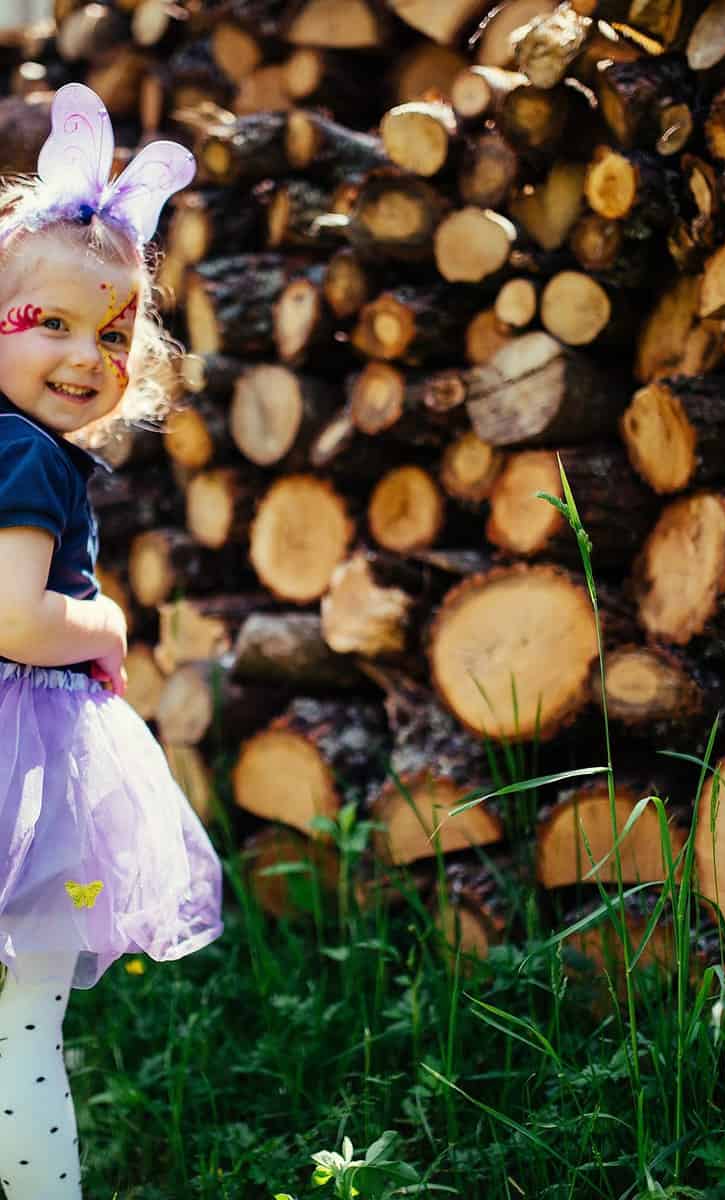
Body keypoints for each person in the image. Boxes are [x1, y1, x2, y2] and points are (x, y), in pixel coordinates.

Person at [0, 84, 223, 1199]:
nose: (90, 355)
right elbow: (13, 615)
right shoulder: (27, 457)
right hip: (19, 771)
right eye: (51, 322)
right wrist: (105, 622)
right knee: (20, 1032)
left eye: (116, 331)